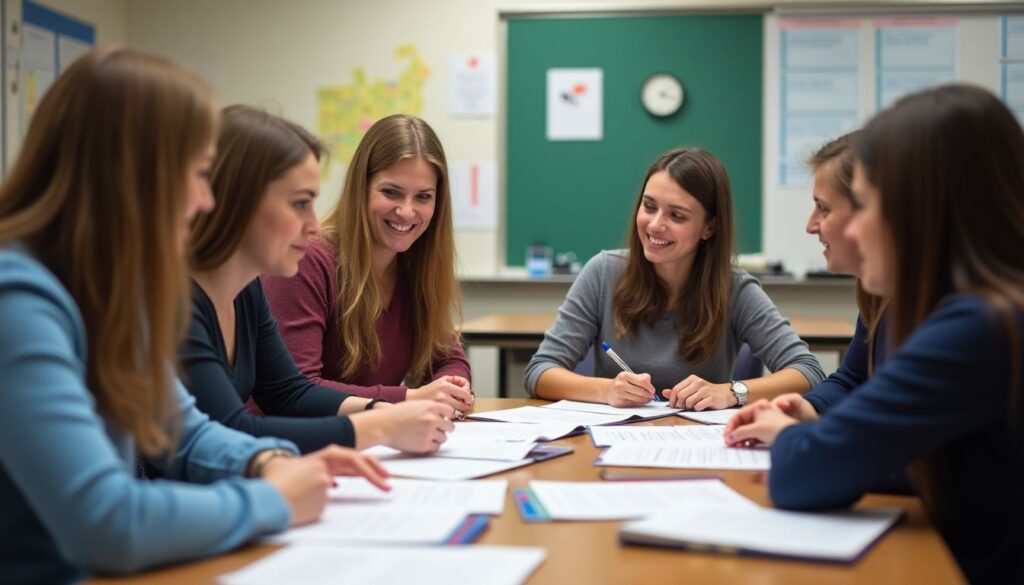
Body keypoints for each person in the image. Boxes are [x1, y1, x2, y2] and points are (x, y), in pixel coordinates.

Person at [0, 49, 388, 583]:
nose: (208, 200)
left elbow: (185, 432)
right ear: (133, 173)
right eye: (200, 174)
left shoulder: (110, 286)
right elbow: (106, 522)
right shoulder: (18, 299)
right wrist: (272, 499)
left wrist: (268, 463)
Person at [725, 84, 1024, 584]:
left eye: (862, 206)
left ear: (921, 209)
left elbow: (806, 475)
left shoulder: (977, 328)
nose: (855, 233)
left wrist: (802, 439)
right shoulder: (987, 307)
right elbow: (936, 455)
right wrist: (823, 431)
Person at [185, 106, 456, 455]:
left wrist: (382, 412)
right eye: (299, 203)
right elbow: (230, 430)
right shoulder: (178, 300)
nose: (314, 225)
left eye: (423, 197)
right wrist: (383, 424)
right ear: (239, 200)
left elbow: (288, 392)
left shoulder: (245, 288)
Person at [524, 147, 825, 409]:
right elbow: (540, 371)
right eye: (649, 206)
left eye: (676, 216)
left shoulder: (734, 289)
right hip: (612, 444)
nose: (655, 225)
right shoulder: (603, 272)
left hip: (703, 450)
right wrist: (607, 390)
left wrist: (731, 392)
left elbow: (808, 372)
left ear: (709, 227)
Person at [263, 114, 472, 413]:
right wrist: (409, 399)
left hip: (370, 443)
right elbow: (297, 389)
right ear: (361, 187)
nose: (406, 211)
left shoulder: (415, 266)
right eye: (391, 192)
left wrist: (450, 388)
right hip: (291, 448)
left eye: (423, 197)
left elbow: (448, 358)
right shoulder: (306, 259)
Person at [759, 132, 888, 423]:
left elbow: (892, 425)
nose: (810, 225)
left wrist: (792, 436)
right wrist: (807, 408)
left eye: (824, 208)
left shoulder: (950, 311)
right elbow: (851, 378)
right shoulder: (879, 294)